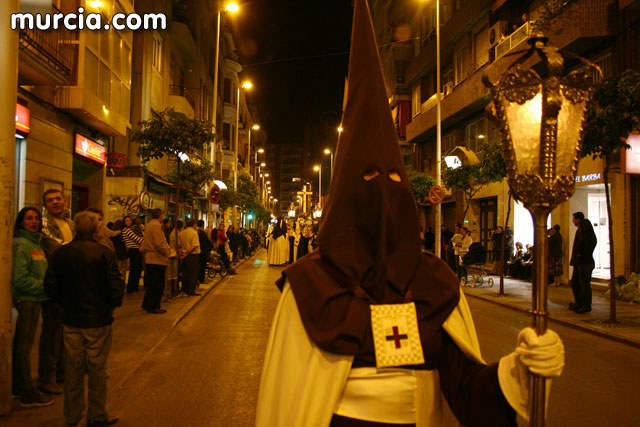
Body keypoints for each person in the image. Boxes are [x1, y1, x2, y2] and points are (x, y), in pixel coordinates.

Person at [256, 2, 564, 424]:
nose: (383, 197)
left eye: (393, 181)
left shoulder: (432, 283)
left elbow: (468, 392)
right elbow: (288, 401)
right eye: (367, 178)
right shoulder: (311, 286)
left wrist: (520, 371)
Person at [45, 210, 124, 427]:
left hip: (71, 319)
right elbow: (116, 286)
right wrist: (110, 306)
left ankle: (72, 415)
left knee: (73, 369)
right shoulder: (103, 253)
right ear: (96, 228)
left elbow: (50, 286)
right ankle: (96, 414)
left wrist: (66, 304)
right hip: (98, 320)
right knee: (98, 369)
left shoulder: (60, 254)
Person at [12, 207, 54, 407]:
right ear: (21, 222)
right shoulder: (21, 245)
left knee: (23, 345)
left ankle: (17, 387)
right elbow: (19, 279)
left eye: (37, 218)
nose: (34, 221)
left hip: (35, 299)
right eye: (29, 218)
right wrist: (45, 286)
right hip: (27, 300)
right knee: (24, 347)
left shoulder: (33, 243)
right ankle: (27, 392)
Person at [40, 188, 75, 395]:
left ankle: (61, 372)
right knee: (51, 334)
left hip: (69, 285)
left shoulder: (69, 224)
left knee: (66, 332)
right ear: (45, 205)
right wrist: (77, 251)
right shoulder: (45, 224)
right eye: (50, 200)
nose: (55, 202)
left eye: (58, 198)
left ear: (65, 200)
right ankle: (46, 378)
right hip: (54, 284)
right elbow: (54, 249)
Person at [141, 209, 173, 313]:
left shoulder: (149, 225)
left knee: (151, 284)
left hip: (152, 259)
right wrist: (167, 252)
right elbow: (159, 243)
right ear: (160, 216)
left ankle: (148, 304)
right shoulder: (155, 226)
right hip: (156, 259)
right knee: (157, 285)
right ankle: (154, 306)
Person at [569, 212, 597, 314]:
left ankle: (585, 306)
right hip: (579, 262)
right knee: (575, 283)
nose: (572, 221)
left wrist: (582, 254)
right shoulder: (582, 228)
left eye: (573, 219)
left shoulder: (585, 229)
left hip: (584, 262)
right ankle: (579, 303)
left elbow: (591, 243)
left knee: (584, 285)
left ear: (578, 219)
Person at [121, 215, 143, 294]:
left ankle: (134, 288)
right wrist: (142, 239)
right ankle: (132, 288)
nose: (129, 222)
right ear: (124, 222)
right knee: (135, 269)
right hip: (133, 250)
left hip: (135, 250)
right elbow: (137, 240)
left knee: (136, 269)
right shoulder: (126, 230)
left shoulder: (130, 229)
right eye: (127, 220)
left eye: (130, 220)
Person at [180, 219, 201, 296]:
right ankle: (191, 290)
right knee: (192, 273)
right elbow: (194, 245)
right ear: (194, 224)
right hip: (192, 255)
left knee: (185, 273)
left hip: (184, 255)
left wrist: (183, 253)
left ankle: (184, 288)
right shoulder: (194, 233)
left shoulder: (182, 232)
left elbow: (180, 244)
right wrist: (187, 253)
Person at [197, 220, 214, 284]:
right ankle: (201, 279)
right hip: (203, 252)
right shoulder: (201, 233)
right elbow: (207, 241)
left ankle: (200, 279)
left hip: (199, 251)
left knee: (200, 266)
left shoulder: (197, 232)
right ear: (203, 225)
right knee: (202, 266)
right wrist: (211, 246)